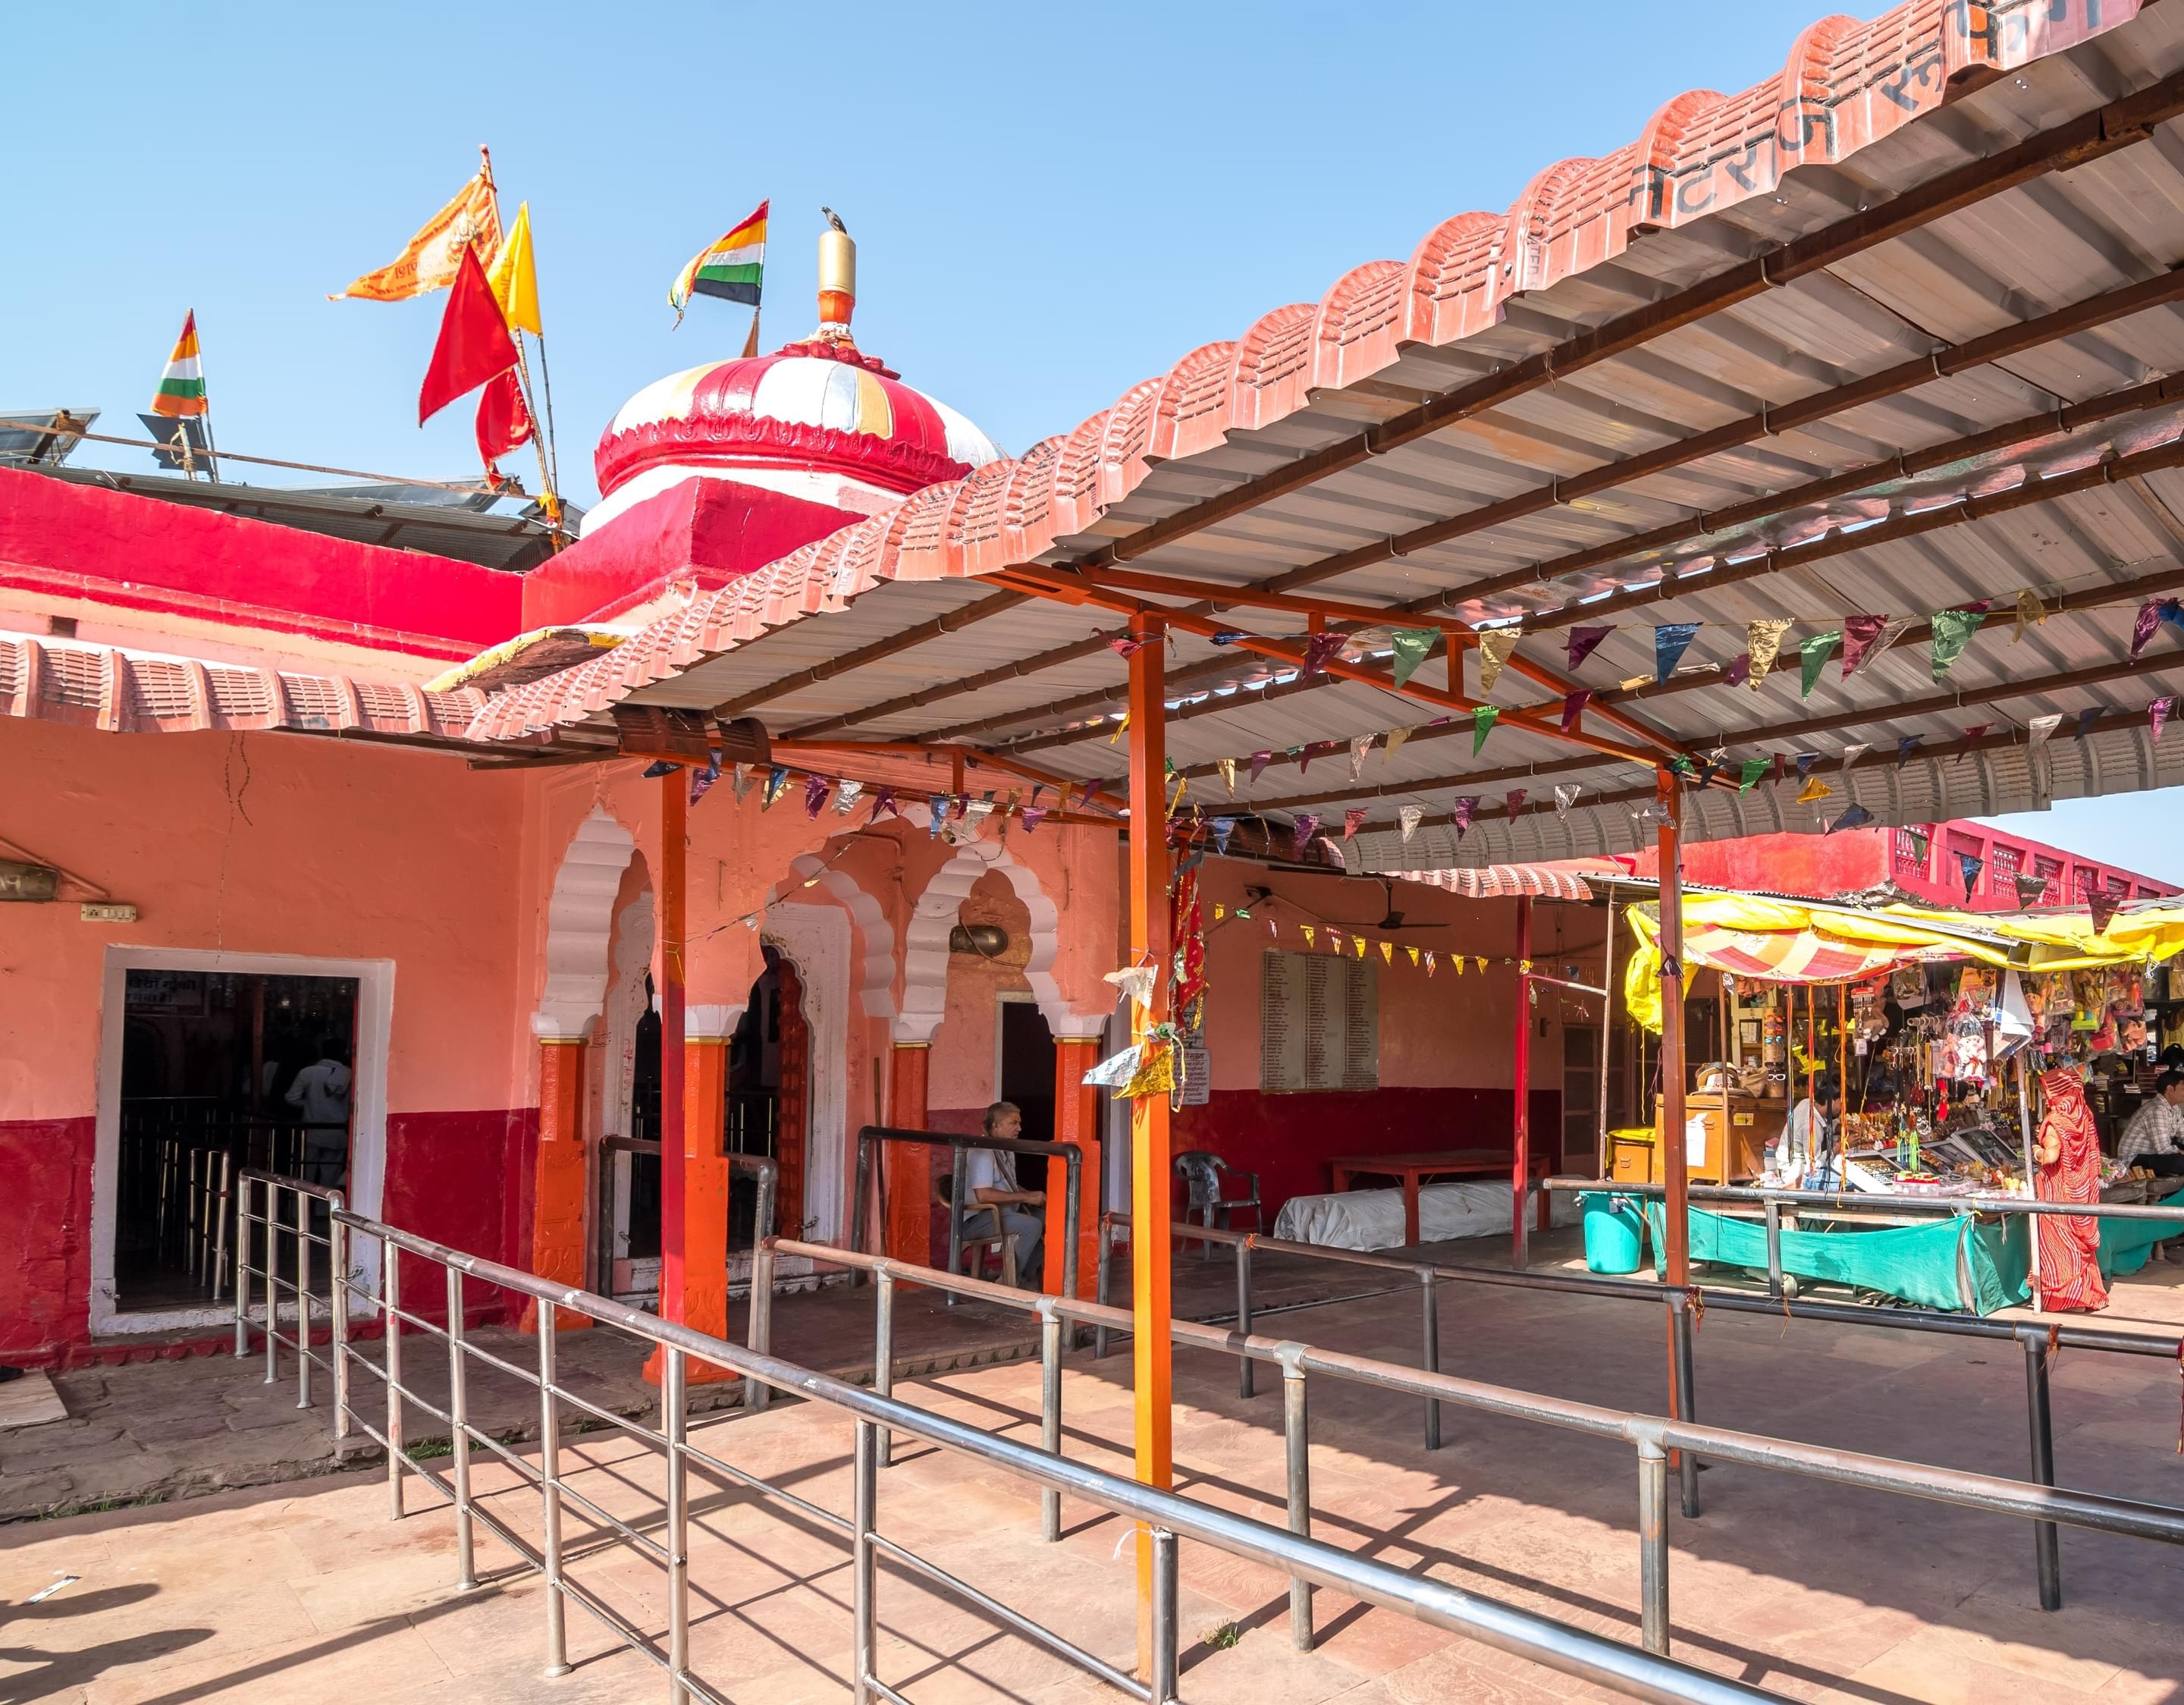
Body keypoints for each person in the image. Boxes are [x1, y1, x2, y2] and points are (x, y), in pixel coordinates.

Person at [956, 1101, 1043, 1286]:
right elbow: (984, 1195)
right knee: (1032, 1225)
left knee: (1051, 1220)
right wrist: (1026, 1197)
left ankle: (1021, 1276)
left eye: (1019, 1123)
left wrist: (1033, 1195)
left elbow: (1009, 1185)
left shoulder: (1005, 1149)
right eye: (1013, 1123)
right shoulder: (982, 1151)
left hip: (1003, 1212)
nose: (1019, 1128)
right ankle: (1008, 1280)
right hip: (977, 1219)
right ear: (996, 1126)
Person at [286, 1035, 353, 1188]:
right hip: (337, 1131)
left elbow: (291, 1098)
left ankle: (300, 1207)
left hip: (312, 1128)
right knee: (331, 1174)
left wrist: (310, 1104)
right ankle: (324, 1209)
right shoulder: (350, 1073)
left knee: (306, 1171)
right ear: (344, 1052)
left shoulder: (308, 1072)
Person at [1773, 1072, 1843, 1183]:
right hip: (1795, 1171)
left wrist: (1839, 1127)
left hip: (1797, 1164)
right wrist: (1840, 1147)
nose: (1845, 1104)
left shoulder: (1808, 1103)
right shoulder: (1811, 1124)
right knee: (1842, 1180)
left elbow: (1824, 1121)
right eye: (1842, 1100)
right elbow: (1815, 1164)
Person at [2116, 1070, 2184, 1177]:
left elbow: (2183, 1134)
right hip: (2134, 1160)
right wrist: (2180, 1151)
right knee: (2179, 1162)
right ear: (2170, 1089)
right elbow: (2164, 1149)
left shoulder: (2174, 1109)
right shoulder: (2157, 1109)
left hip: (2153, 1154)